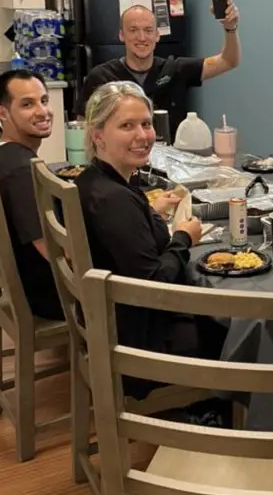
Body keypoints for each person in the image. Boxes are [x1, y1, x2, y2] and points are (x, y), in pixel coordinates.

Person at [75, 82, 225, 401]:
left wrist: (149, 212)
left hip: (111, 321)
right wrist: (183, 237)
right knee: (232, 327)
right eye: (126, 126)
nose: (143, 135)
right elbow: (155, 285)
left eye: (146, 123)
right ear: (97, 135)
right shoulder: (114, 201)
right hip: (139, 343)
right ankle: (220, 414)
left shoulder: (93, 181)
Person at [76, 0, 241, 134]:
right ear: (121, 35)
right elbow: (83, 129)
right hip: (121, 166)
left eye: (148, 30)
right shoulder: (101, 78)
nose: (141, 37)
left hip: (172, 166)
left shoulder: (175, 70)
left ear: (157, 36)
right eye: (133, 30)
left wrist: (230, 27)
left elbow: (228, 61)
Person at [0, 69, 63, 322]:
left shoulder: (0, 152)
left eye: (44, 100)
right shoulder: (23, 171)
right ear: (2, 113)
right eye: (27, 104)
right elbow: (54, 254)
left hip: (23, 279)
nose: (43, 111)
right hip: (48, 295)